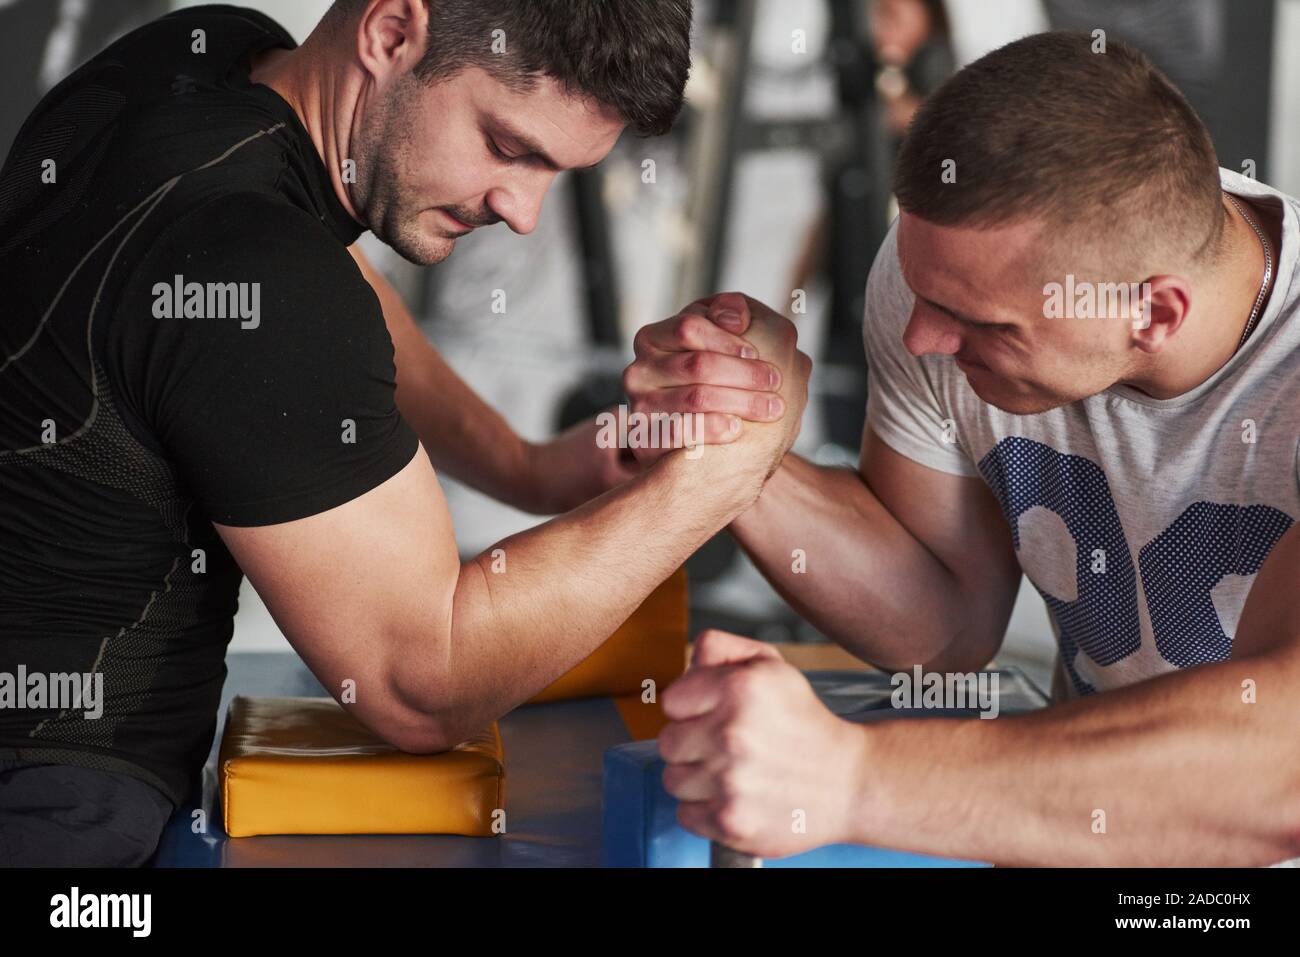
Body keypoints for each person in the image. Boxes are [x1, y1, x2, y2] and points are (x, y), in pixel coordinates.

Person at [0, 0, 811, 865]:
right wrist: (729, 467)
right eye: (507, 146)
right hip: (52, 798)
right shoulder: (258, 266)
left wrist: (530, 469)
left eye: (557, 171)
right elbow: (422, 686)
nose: (524, 209)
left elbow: (322, 275)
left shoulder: (204, 60)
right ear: (391, 33)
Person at [625, 32, 1300, 865]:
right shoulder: (951, 276)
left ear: (1155, 314)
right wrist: (735, 439)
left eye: (982, 325)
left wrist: (848, 779)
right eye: (920, 292)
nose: (923, 335)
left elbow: (1281, 765)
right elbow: (944, 624)